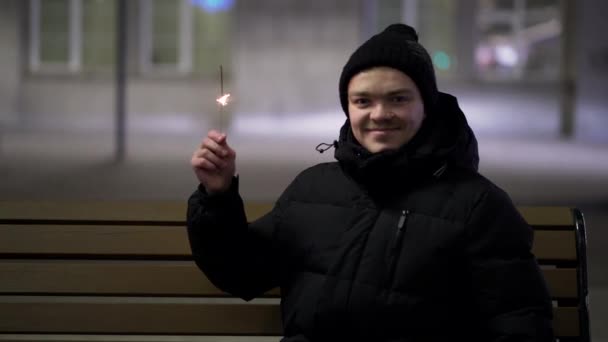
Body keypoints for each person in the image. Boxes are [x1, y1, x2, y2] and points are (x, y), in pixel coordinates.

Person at [187, 23, 553, 342]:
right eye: (363, 100)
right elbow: (241, 273)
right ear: (348, 107)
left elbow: (520, 324)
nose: (379, 115)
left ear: (427, 105)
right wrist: (217, 197)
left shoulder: (477, 205)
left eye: (398, 99)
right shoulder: (312, 190)